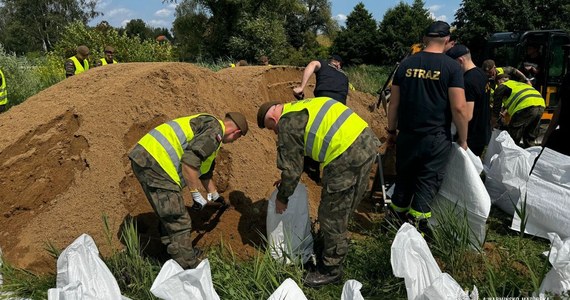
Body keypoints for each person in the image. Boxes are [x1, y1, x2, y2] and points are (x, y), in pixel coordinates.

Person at [257, 97, 379, 288]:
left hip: (345, 154)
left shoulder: (287, 123)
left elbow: (291, 169)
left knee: (331, 214)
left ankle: (330, 270)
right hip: (366, 141)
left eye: (272, 128)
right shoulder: (302, 106)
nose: (275, 132)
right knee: (346, 205)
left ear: (273, 120)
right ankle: (337, 247)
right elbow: (298, 159)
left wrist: (282, 198)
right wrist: (289, 177)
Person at [128, 112, 248, 269]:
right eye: (236, 139)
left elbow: (204, 173)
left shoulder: (210, 130)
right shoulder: (215, 130)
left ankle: (169, 255)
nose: (232, 142)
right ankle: (188, 267)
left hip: (148, 157)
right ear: (236, 133)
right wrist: (195, 194)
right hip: (157, 162)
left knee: (170, 212)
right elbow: (190, 162)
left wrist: (215, 196)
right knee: (179, 219)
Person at [386, 20, 469, 233]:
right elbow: (459, 108)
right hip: (436, 138)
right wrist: (463, 138)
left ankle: (393, 224)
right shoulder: (451, 67)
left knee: (403, 180)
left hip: (407, 135)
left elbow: (393, 103)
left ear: (424, 38)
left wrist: (391, 131)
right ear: (448, 40)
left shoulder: (406, 64)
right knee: (427, 183)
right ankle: (415, 231)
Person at [446, 44, 492, 156]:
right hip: (482, 132)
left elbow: (466, 115)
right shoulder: (482, 74)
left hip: (471, 136)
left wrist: (459, 136)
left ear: (460, 60)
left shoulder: (467, 81)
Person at [492, 74, 545, 148]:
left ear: (499, 81)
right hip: (540, 103)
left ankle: (511, 156)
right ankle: (531, 157)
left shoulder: (502, 86)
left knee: (513, 137)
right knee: (530, 137)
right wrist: (505, 112)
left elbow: (496, 109)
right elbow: (516, 98)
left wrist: (493, 124)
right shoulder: (518, 84)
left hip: (525, 106)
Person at [542, 44, 570, 155]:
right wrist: (548, 135)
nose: (568, 57)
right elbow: (559, 108)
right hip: (565, 135)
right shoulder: (568, 78)